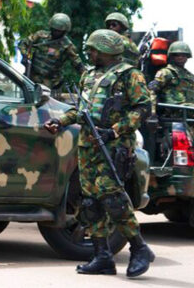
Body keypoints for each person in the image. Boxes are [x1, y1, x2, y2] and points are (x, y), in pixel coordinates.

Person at [44, 29, 155, 278]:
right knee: (90, 202)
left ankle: (140, 249)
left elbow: (143, 108)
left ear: (106, 49)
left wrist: (115, 131)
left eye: (93, 49)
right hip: (87, 146)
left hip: (113, 147)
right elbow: (81, 110)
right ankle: (102, 256)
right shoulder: (90, 76)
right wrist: (60, 121)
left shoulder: (130, 75)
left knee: (112, 198)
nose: (90, 53)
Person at [18, 13, 85, 88]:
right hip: (31, 77)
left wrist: (85, 76)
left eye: (59, 31)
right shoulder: (40, 35)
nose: (56, 32)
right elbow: (23, 43)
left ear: (64, 31)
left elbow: (77, 63)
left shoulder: (67, 45)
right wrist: (25, 55)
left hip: (50, 83)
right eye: (54, 30)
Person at [148, 41, 194, 105]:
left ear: (187, 57)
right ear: (172, 57)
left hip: (189, 110)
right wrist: (153, 112)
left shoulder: (189, 75)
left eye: (183, 55)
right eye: (177, 55)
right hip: (174, 110)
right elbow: (152, 91)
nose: (180, 57)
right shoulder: (166, 72)